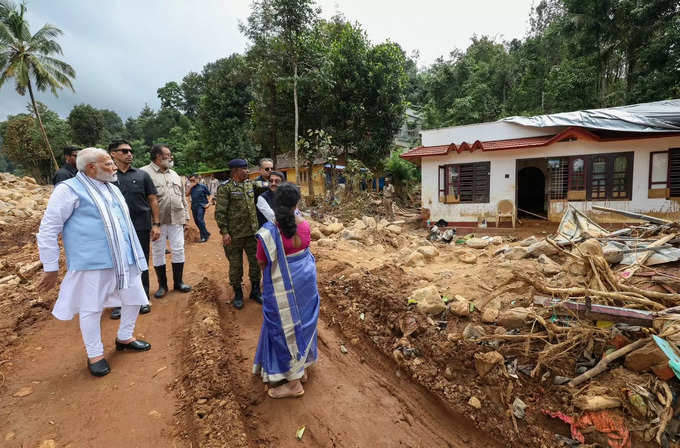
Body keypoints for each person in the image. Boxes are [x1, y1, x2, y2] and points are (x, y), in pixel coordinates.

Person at [37, 147, 151, 377]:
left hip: (124, 257)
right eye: (108, 164)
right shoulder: (68, 190)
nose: (114, 167)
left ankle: (125, 337)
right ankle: (95, 354)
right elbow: (49, 228)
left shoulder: (112, 188)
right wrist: (50, 267)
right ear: (91, 168)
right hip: (92, 262)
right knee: (91, 308)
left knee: (134, 299)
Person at [253, 182, 319, 398]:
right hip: (306, 278)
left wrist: (264, 280)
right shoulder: (306, 225)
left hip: (283, 281)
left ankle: (293, 384)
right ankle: (302, 368)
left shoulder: (270, 232)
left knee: (283, 327)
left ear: (277, 202)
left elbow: (262, 261)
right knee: (305, 322)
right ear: (297, 202)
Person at [108, 139, 161, 319]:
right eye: (124, 151)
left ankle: (143, 298)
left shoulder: (142, 175)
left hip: (140, 226)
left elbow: (153, 199)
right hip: (115, 229)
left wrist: (156, 224)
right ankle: (119, 303)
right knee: (117, 264)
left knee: (141, 263)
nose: (129, 154)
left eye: (130, 151)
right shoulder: (106, 177)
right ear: (113, 154)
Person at [141, 144, 191, 298]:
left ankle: (178, 282)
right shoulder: (144, 173)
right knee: (158, 251)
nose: (171, 157)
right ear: (158, 156)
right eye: (168, 155)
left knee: (178, 249)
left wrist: (186, 216)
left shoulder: (175, 174)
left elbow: (182, 197)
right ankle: (162, 285)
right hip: (157, 222)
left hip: (176, 218)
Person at [214, 158, 265, 309]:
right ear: (236, 171)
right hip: (234, 235)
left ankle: (255, 292)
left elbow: (267, 185)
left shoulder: (251, 184)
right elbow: (220, 212)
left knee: (255, 263)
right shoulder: (226, 188)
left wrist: (278, 183)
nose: (247, 171)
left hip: (252, 233)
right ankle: (238, 294)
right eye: (244, 169)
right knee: (236, 265)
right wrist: (224, 232)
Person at [187, 173, 212, 242]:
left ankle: (203, 236)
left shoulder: (203, 186)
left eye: (193, 180)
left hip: (201, 205)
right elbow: (186, 194)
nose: (192, 181)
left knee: (200, 219)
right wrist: (190, 187)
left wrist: (208, 203)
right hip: (194, 206)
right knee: (196, 221)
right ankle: (206, 233)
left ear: (197, 179)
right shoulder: (190, 187)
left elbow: (210, 195)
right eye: (190, 180)